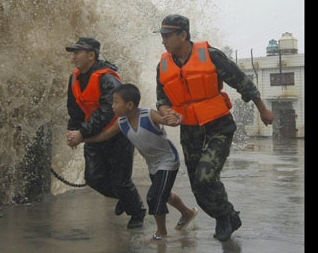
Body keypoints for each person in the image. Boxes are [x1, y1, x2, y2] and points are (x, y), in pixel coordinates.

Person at [153, 14, 274, 242]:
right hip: (190, 130)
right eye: (162, 36)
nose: (163, 40)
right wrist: (166, 111)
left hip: (218, 126)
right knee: (197, 187)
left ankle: (224, 217)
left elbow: (241, 81)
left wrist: (262, 109)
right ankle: (226, 215)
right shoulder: (163, 66)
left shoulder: (210, 55)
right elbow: (162, 99)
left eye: (167, 36)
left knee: (205, 177)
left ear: (183, 35)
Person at [82, 83, 198, 243]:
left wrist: (175, 118)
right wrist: (81, 138)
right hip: (153, 164)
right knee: (165, 194)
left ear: (129, 105)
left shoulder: (148, 115)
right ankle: (187, 213)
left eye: (116, 102)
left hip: (168, 160)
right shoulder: (121, 122)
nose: (112, 105)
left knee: (154, 197)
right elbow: (104, 136)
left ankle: (161, 234)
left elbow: (167, 120)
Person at [65, 37, 146, 229]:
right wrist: (73, 130)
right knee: (94, 178)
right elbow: (74, 109)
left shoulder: (107, 78)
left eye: (78, 52)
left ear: (91, 55)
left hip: (117, 134)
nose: (74, 56)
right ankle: (126, 199)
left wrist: (82, 132)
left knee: (121, 181)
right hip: (94, 134)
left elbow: (108, 111)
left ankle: (137, 212)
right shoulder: (74, 78)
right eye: (73, 52)